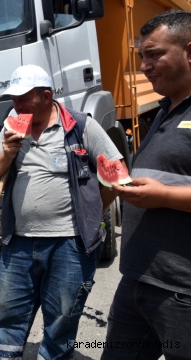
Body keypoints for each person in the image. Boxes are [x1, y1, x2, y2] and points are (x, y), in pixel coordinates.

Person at [0, 65, 122, 360]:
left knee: (62, 320)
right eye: (13, 99)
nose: (16, 105)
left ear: (46, 96)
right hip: (18, 243)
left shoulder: (82, 126)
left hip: (70, 245)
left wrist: (94, 210)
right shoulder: (10, 129)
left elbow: (119, 175)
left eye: (23, 99)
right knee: (7, 317)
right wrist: (7, 153)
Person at [102, 11, 191, 359]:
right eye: (142, 57)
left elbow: (165, 190)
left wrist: (163, 196)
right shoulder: (165, 111)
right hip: (137, 281)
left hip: (181, 291)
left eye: (154, 54)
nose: (144, 67)